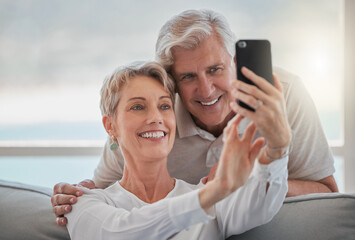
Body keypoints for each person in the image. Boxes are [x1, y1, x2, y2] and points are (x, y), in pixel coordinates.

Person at [52, 9, 338, 226]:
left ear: (234, 64)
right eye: (188, 76)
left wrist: (249, 181)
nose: (206, 89)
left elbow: (328, 193)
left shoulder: (283, 95)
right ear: (172, 82)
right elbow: (106, 190)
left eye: (215, 69)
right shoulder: (154, 120)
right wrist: (77, 196)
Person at [65, 60, 288, 240]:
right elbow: (121, 233)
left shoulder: (208, 197)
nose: (156, 118)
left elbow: (261, 206)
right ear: (110, 125)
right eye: (138, 107)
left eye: (164, 106)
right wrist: (215, 191)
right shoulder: (84, 202)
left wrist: (277, 149)